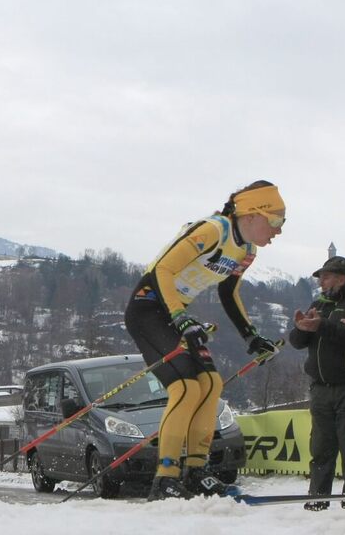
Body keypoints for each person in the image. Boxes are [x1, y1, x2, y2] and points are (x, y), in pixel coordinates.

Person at [125, 180, 284, 501]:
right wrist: (180, 317)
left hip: (175, 313)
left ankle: (196, 471)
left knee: (211, 383)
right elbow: (164, 270)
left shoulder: (247, 251)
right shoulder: (214, 230)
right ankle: (165, 477)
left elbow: (229, 293)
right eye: (277, 221)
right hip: (148, 308)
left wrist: (251, 337)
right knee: (185, 387)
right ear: (253, 214)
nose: (278, 231)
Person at [289, 254, 345, 514]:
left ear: (341, 278)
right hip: (320, 388)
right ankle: (317, 500)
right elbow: (297, 342)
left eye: (325, 277)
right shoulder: (319, 304)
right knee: (321, 449)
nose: (321, 282)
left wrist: (322, 326)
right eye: (319, 278)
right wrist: (303, 327)